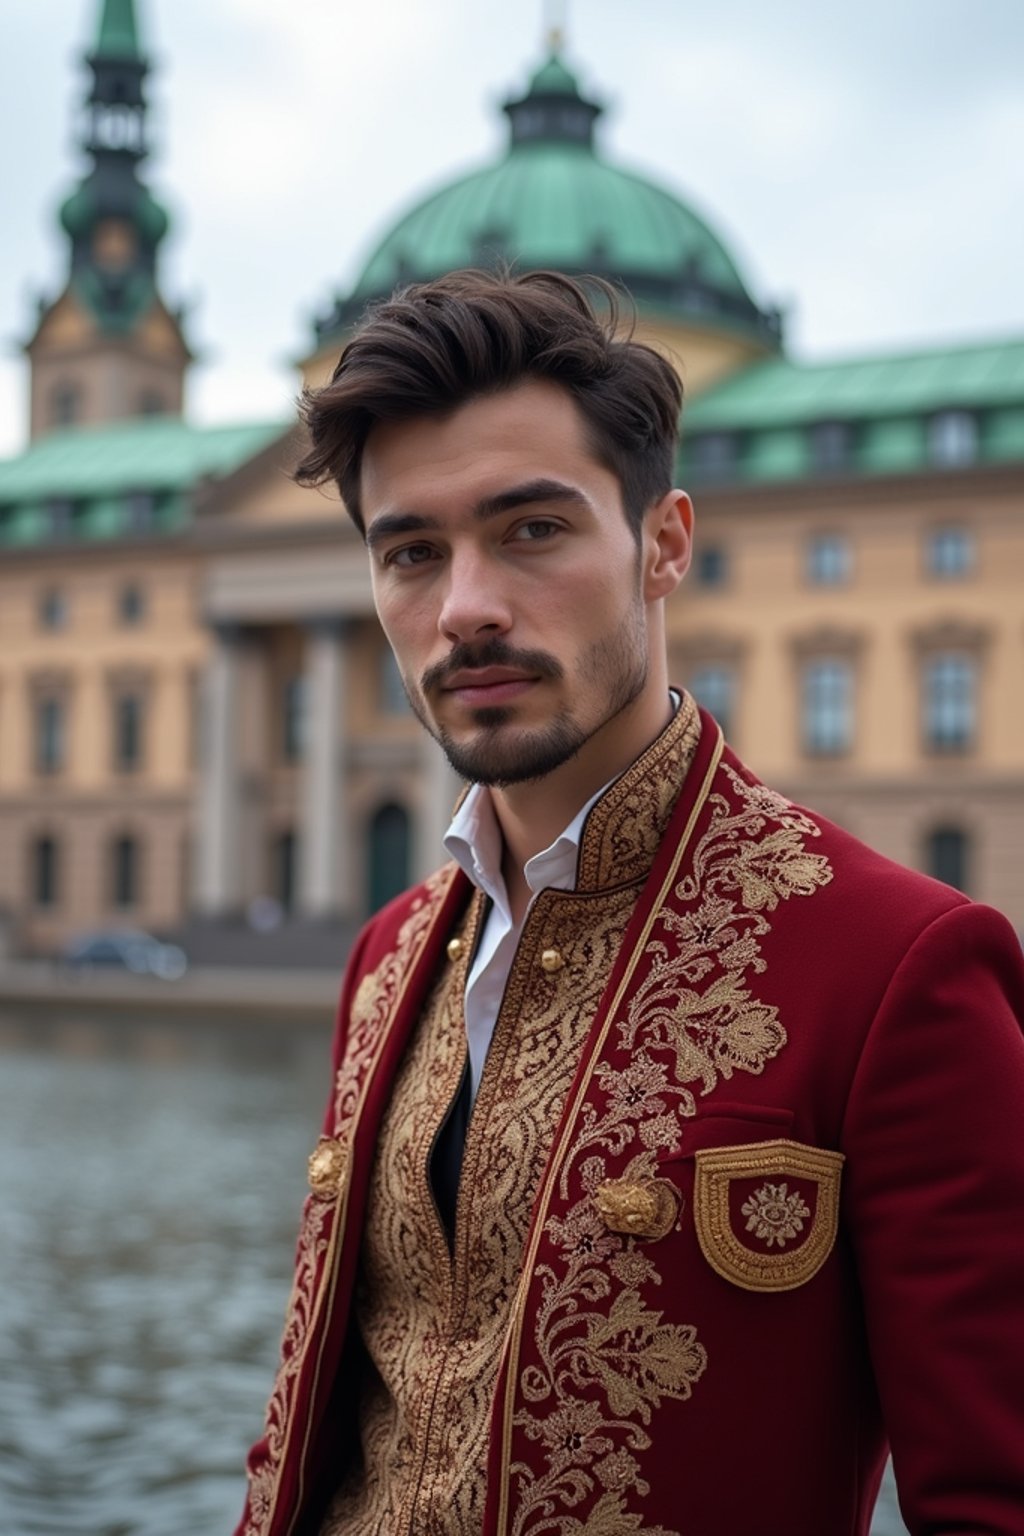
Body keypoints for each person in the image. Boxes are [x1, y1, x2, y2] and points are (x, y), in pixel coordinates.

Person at [235, 269, 1024, 1536]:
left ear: (664, 545)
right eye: (412, 553)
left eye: (532, 530)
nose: (466, 608)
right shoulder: (389, 955)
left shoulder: (896, 966)